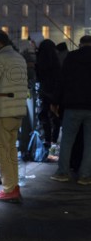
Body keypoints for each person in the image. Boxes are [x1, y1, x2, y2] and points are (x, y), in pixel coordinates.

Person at [0, 30, 28, 202]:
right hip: (18, 111)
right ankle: (14, 186)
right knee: (11, 150)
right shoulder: (20, 58)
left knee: (2, 152)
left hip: (4, 112)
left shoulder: (1, 57)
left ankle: (9, 188)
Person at [50, 35, 91, 184]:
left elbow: (61, 80)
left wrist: (55, 102)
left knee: (67, 141)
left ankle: (63, 172)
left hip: (73, 105)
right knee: (89, 143)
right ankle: (85, 175)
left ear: (80, 44)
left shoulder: (71, 57)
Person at [35, 39, 61, 153]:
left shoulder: (40, 61)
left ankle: (47, 141)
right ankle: (54, 143)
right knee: (55, 119)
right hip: (55, 94)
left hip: (44, 93)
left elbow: (39, 77)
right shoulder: (56, 61)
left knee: (44, 118)